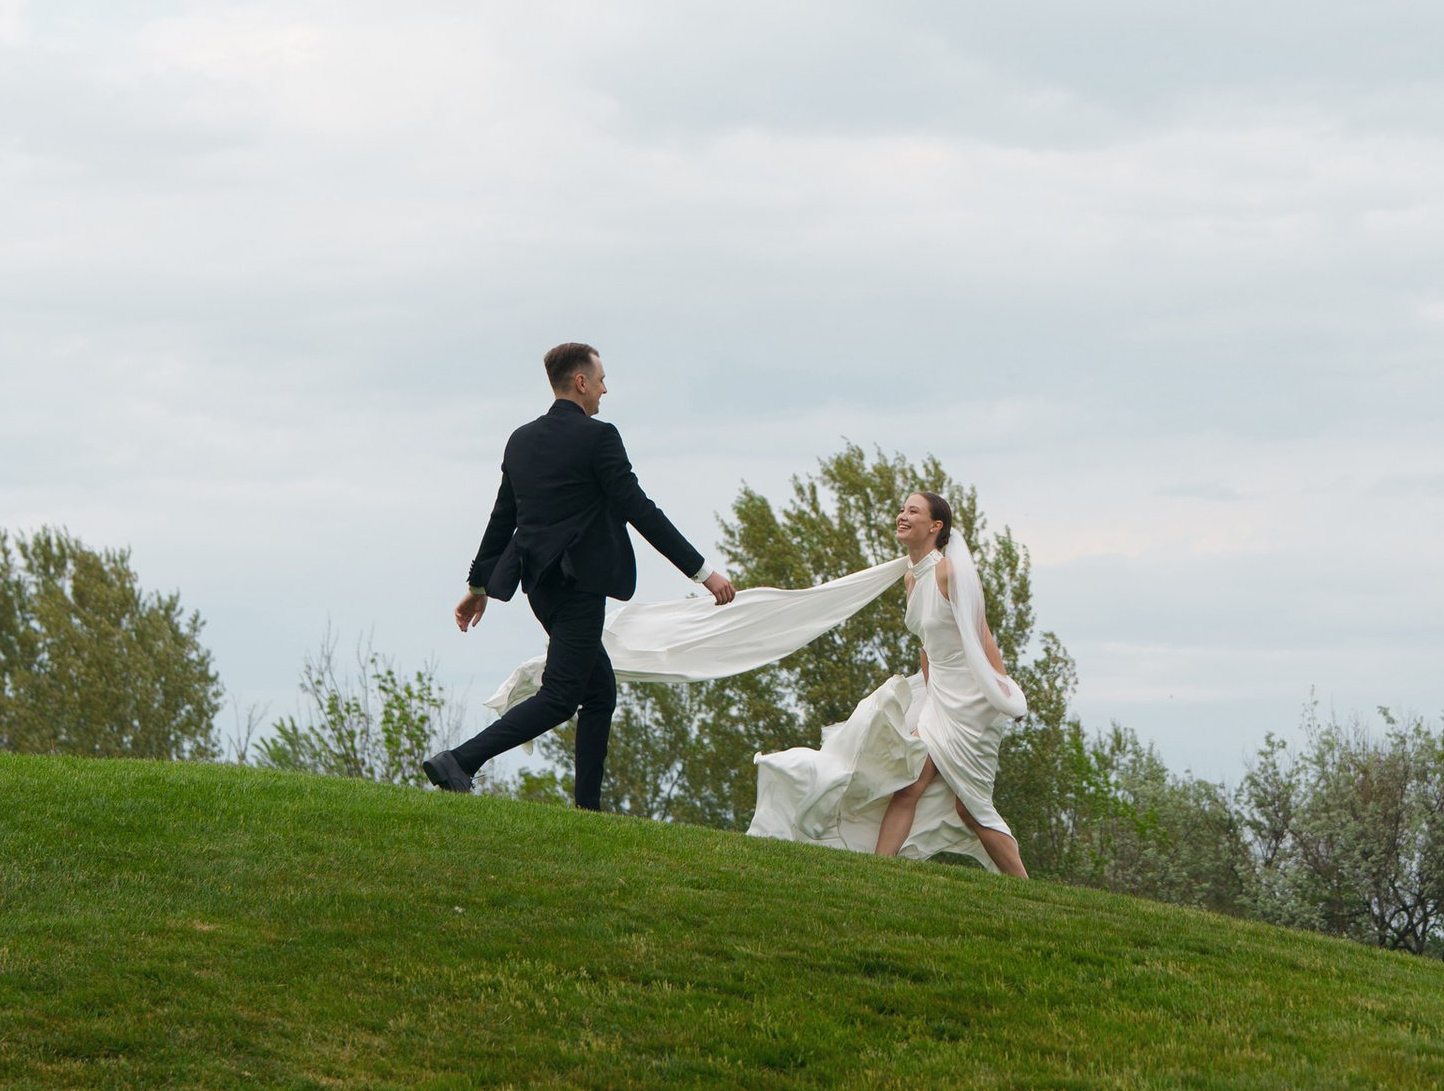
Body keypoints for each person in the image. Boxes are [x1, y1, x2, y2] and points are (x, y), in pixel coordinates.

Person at [423, 343, 734, 801]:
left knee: (600, 691)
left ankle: (587, 810)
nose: (606, 389)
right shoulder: (599, 437)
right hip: (579, 588)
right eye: (602, 379)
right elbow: (639, 509)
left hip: (541, 591)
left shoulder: (521, 440)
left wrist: (477, 586)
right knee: (560, 697)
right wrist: (703, 573)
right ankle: (460, 760)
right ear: (581, 382)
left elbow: (501, 518)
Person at [748, 485, 1029, 876]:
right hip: (938, 697)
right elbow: (927, 646)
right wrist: (929, 698)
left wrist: (1005, 692)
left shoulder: (950, 572)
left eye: (913, 511)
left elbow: (981, 634)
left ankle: (1024, 886)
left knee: (970, 806)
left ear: (935, 525)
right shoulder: (912, 580)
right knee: (909, 785)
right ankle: (877, 871)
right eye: (902, 509)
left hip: (974, 700)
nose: (903, 516)